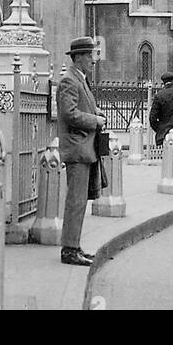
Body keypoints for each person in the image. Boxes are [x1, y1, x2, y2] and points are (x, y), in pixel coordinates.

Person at [57, 37, 106, 267]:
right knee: (75, 201)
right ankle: (69, 250)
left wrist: (94, 110)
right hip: (77, 148)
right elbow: (69, 114)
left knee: (79, 201)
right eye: (89, 56)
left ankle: (74, 246)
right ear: (77, 58)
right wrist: (95, 119)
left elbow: (78, 108)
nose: (93, 60)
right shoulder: (69, 81)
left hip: (84, 149)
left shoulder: (79, 80)